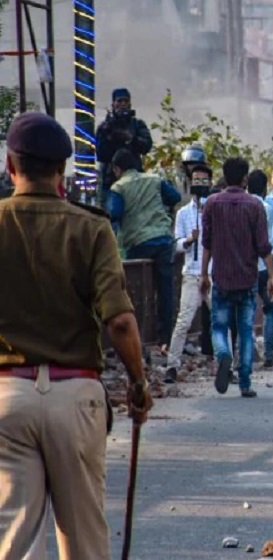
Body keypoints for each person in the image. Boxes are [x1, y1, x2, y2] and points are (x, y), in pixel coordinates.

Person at [0, 112, 153, 558]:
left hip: (8, 395)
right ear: (62, 170)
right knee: (83, 537)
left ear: (12, 166)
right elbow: (120, 321)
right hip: (75, 394)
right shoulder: (91, 227)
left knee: (14, 540)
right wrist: (138, 384)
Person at [201, 158, 273, 398]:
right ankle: (245, 382)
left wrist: (203, 273)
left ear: (224, 177)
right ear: (245, 179)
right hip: (248, 277)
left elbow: (207, 243)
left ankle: (223, 353)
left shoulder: (212, 204)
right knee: (246, 331)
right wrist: (272, 276)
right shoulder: (255, 205)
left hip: (221, 277)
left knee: (219, 325)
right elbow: (263, 245)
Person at [106, 148, 182, 348]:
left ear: (117, 169)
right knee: (165, 289)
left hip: (137, 243)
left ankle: (138, 338)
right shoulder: (154, 179)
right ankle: (165, 337)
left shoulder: (118, 187)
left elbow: (113, 213)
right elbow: (174, 197)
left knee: (137, 292)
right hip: (163, 240)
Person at [165, 163, 214, 383]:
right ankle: (172, 366)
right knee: (183, 321)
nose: (200, 184)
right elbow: (176, 244)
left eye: (204, 180)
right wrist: (189, 240)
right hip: (192, 273)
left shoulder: (214, 208)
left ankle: (228, 364)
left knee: (220, 320)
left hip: (214, 273)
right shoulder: (184, 213)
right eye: (197, 180)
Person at [247, 170, 273, 367]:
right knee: (270, 308)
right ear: (264, 188)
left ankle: (250, 351)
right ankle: (269, 354)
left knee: (248, 309)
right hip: (265, 266)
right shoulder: (268, 208)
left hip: (247, 266)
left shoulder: (242, 205)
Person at [95, 87, 153, 195]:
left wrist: (131, 139)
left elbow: (147, 145)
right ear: (113, 104)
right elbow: (100, 155)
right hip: (110, 180)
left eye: (126, 101)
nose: (123, 104)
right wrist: (108, 137)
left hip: (134, 178)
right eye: (119, 101)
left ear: (130, 104)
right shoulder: (105, 126)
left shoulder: (137, 124)